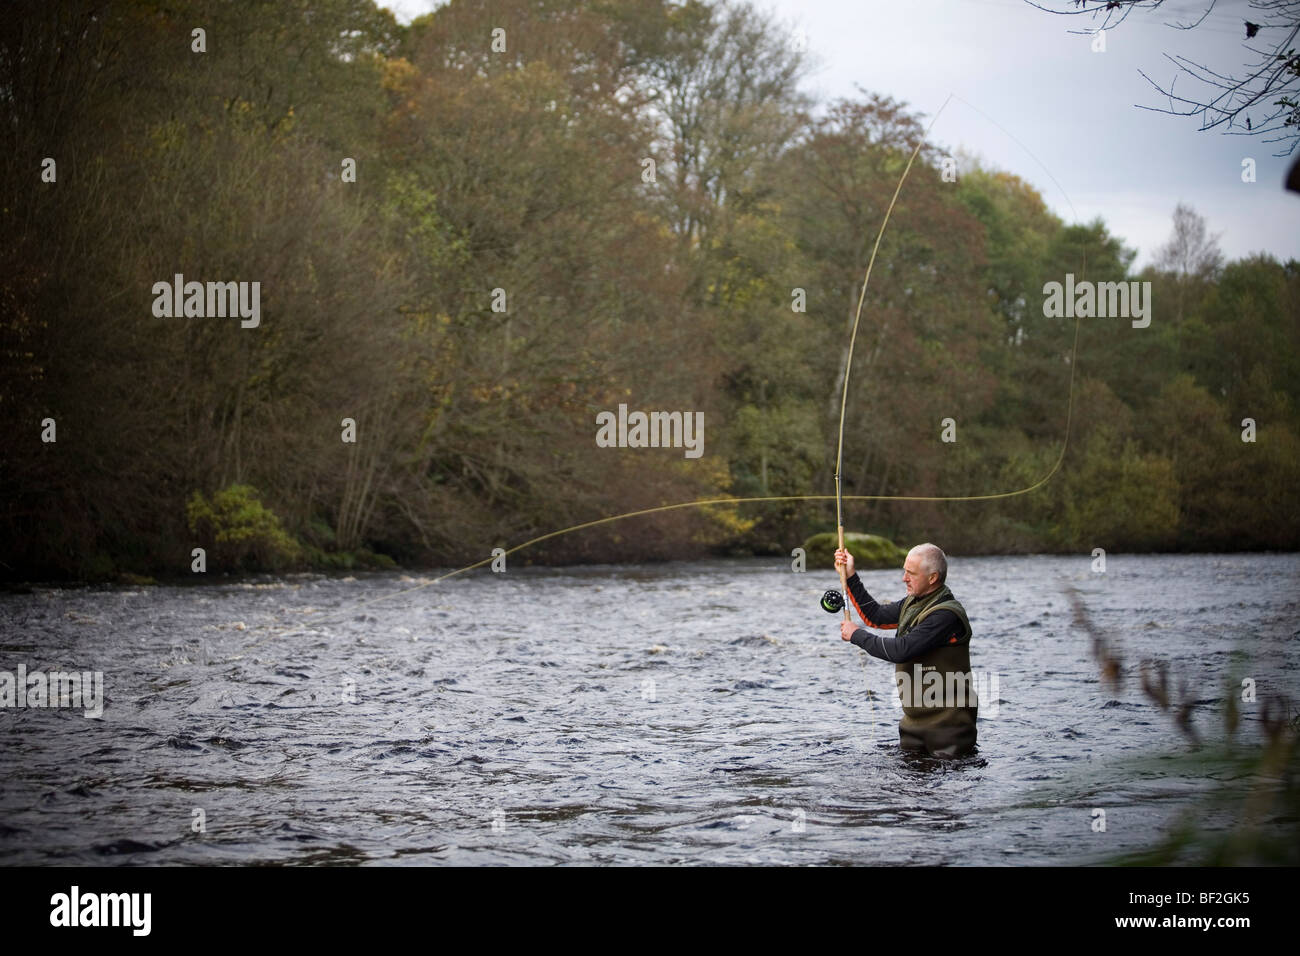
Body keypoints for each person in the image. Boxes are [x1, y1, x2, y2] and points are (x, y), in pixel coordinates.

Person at [834, 543, 978, 758]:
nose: (904, 578)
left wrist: (856, 635)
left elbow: (902, 650)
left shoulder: (945, 615)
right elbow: (876, 616)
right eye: (904, 571)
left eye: (911, 573)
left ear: (932, 578)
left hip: (949, 732)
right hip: (913, 729)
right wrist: (851, 575)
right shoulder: (914, 603)